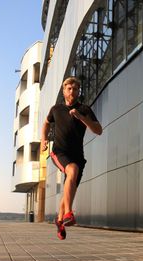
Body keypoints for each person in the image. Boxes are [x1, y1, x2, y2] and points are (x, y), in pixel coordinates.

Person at [41, 77, 102, 240]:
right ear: (64, 91)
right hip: (59, 152)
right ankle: (68, 213)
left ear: (78, 91)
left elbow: (98, 130)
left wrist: (81, 117)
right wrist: (43, 140)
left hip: (77, 155)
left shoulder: (85, 109)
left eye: (75, 89)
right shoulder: (56, 109)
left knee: (70, 190)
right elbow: (46, 123)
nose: (72, 92)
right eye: (69, 89)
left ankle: (60, 220)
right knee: (72, 170)